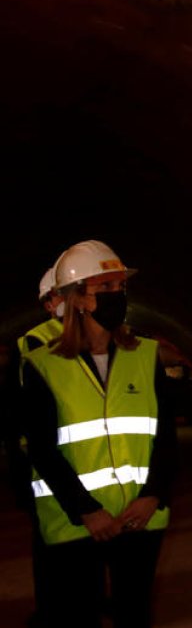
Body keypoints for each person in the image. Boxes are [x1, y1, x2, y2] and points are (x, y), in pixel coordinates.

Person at [20, 240, 178, 628]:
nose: (116, 296)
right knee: (77, 616)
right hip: (77, 522)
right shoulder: (42, 365)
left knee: (134, 614)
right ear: (77, 299)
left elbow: (166, 436)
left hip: (138, 517)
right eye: (104, 288)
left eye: (119, 287)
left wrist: (153, 495)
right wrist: (87, 511)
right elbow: (41, 449)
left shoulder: (145, 355)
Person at [3, 266, 65, 627]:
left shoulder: (101, 339)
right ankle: (50, 611)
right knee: (49, 545)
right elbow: (15, 415)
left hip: (84, 462)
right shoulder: (32, 344)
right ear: (48, 303)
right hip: (40, 465)